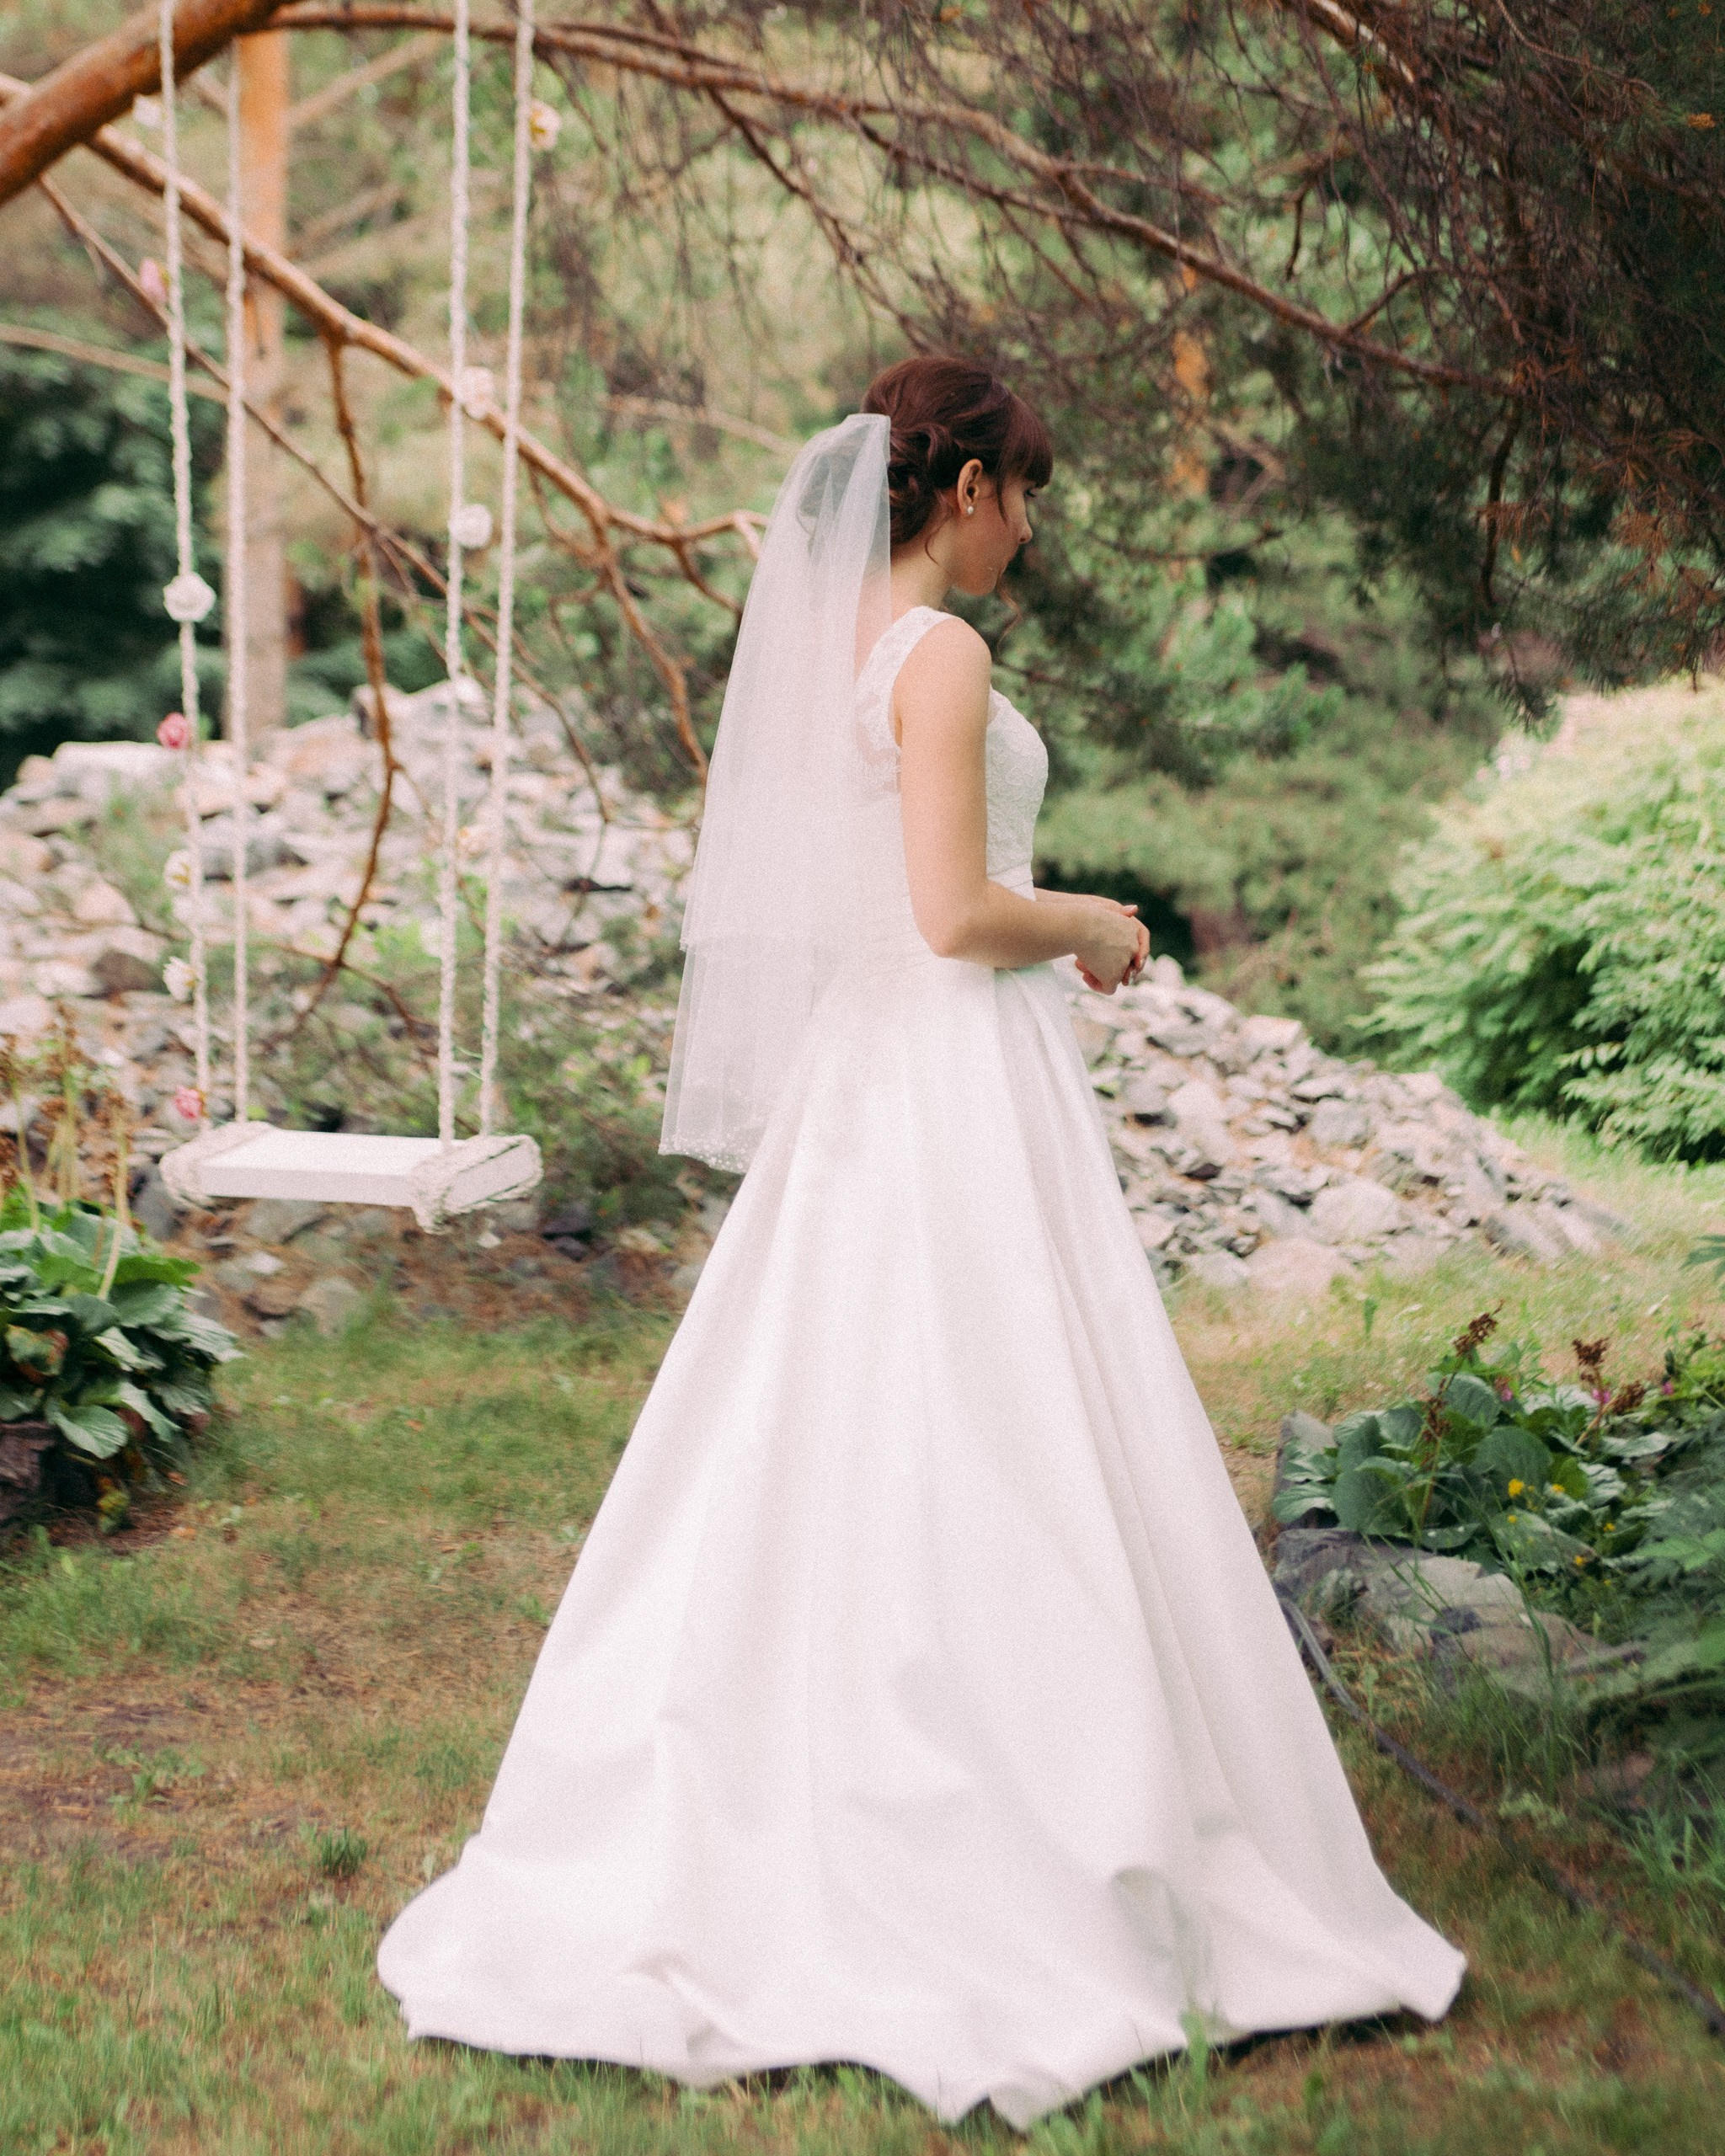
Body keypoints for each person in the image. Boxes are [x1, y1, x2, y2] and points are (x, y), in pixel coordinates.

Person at [377, 355, 1465, 2130]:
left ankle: (831, 1770)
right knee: (997, 1416)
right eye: (1023, 495)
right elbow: (953, 909)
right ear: (960, 487)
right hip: (954, 1064)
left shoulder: (831, 663)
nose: (1027, 531)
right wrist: (1099, 919)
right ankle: (1015, 1811)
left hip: (871, 1079)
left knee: (838, 1416)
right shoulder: (941, 654)